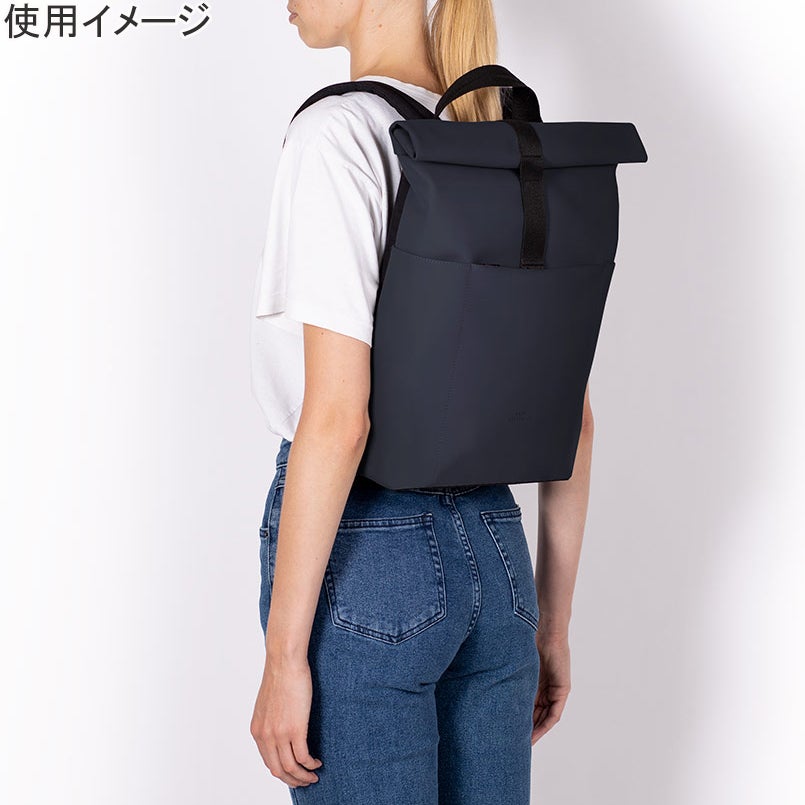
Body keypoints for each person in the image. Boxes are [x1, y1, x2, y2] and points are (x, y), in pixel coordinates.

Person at [249, 1, 593, 802]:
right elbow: (570, 418)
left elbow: (338, 419)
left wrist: (283, 658)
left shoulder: (337, 136)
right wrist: (550, 623)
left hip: (369, 555)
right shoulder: (503, 142)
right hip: (499, 558)